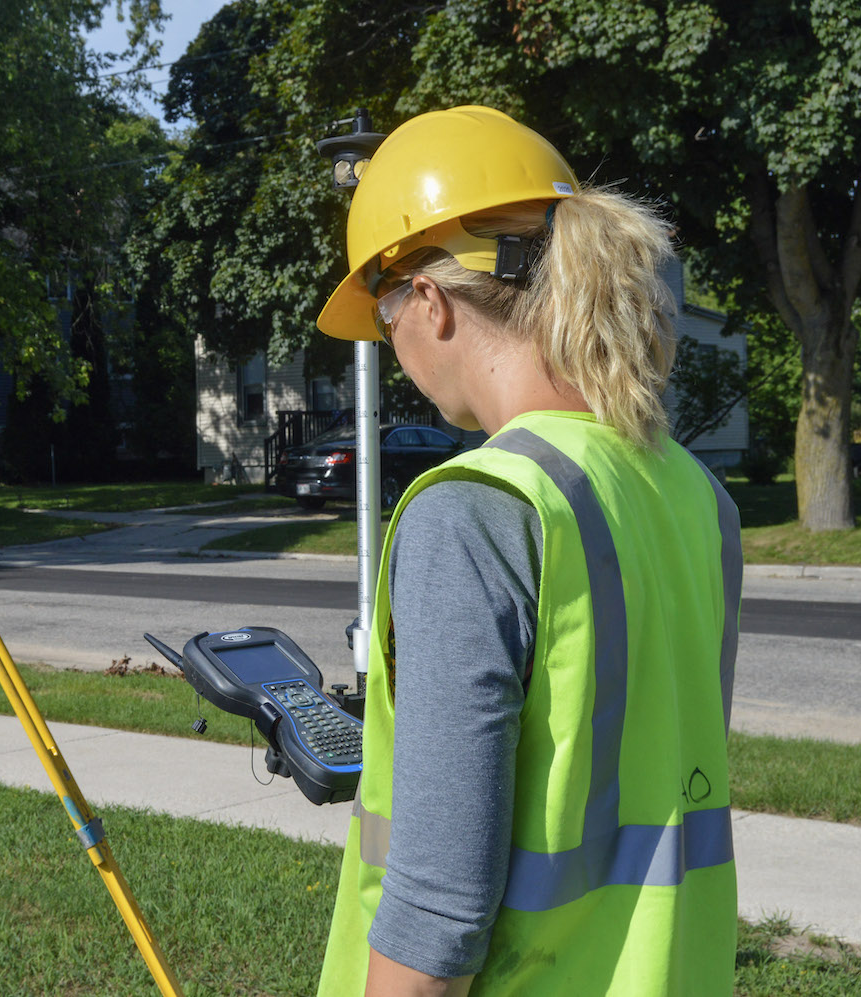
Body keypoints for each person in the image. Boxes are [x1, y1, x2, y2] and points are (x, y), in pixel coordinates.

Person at [313, 106, 743, 996]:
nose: (391, 348)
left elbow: (438, 904)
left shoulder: (474, 509)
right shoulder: (699, 496)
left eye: (384, 313)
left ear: (430, 304)